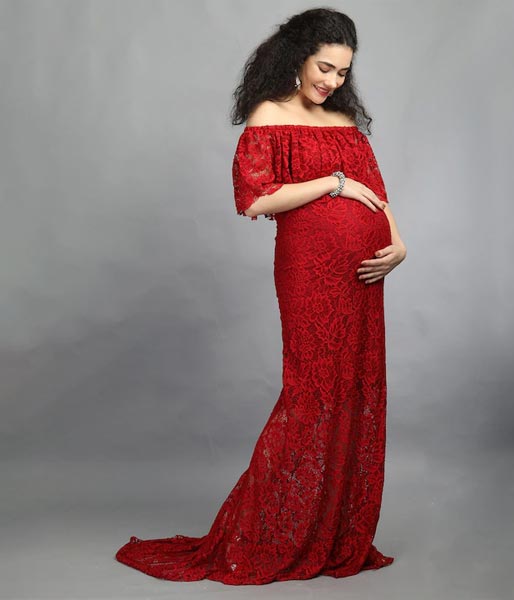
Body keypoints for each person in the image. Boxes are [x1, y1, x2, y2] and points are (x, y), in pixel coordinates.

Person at [115, 7, 407, 585]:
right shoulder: (268, 114)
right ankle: (279, 530)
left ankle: (332, 530)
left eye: (343, 72)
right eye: (324, 68)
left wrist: (398, 243)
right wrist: (333, 183)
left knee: (355, 389)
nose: (332, 81)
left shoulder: (344, 119)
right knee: (311, 392)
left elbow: (376, 191)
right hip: (309, 271)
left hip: (363, 277)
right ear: (298, 56)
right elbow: (253, 198)